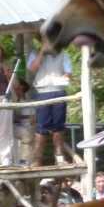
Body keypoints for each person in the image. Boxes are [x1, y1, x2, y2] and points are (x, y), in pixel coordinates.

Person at [26, 35, 72, 167]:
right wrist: (42, 52)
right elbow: (32, 68)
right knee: (41, 127)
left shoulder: (63, 54)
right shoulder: (34, 54)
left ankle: (59, 157)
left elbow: (68, 73)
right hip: (42, 92)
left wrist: (63, 78)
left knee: (59, 126)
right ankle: (37, 159)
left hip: (58, 91)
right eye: (46, 41)